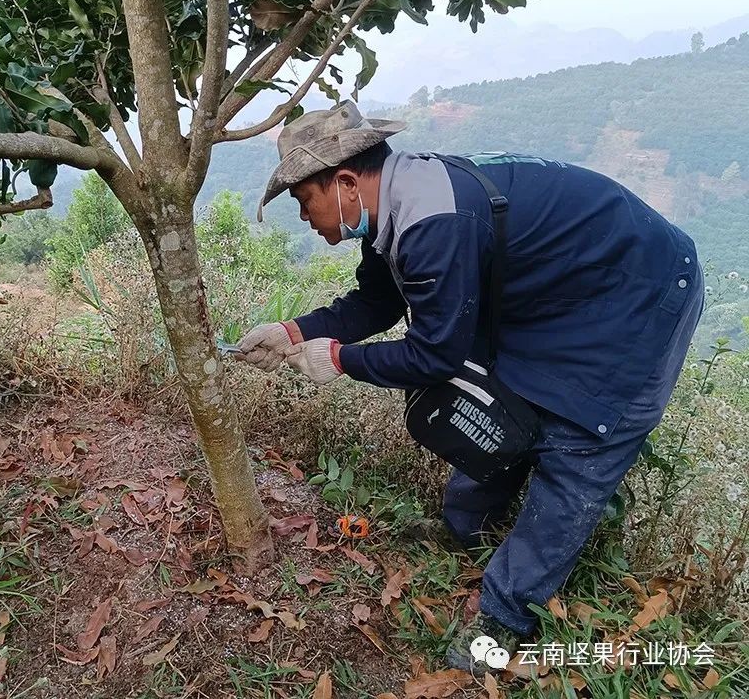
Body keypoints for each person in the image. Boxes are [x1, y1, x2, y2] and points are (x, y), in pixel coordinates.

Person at [235, 101, 704, 674]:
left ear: (345, 183)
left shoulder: (433, 222)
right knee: (500, 401)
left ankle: (503, 621)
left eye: (304, 200)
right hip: (560, 293)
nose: (305, 218)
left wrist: (339, 360)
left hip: (640, 289)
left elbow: (435, 354)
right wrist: (293, 331)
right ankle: (463, 529)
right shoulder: (394, 208)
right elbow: (377, 302)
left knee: (579, 445)